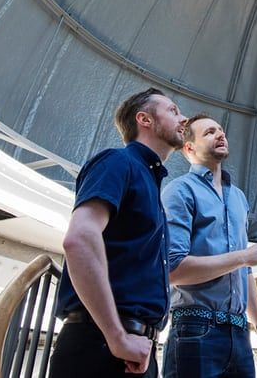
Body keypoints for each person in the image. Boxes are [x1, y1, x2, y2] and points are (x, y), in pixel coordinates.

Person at [50, 87, 188, 378]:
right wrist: (116, 336)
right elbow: (79, 239)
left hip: (134, 349)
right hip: (100, 346)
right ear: (145, 119)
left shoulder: (150, 182)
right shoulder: (117, 162)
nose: (184, 119)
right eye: (173, 111)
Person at [161, 114, 257, 378]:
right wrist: (243, 256)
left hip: (240, 333)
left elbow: (244, 271)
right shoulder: (179, 191)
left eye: (221, 130)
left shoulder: (238, 198)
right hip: (195, 328)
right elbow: (173, 269)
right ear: (189, 148)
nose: (220, 134)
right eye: (209, 132)